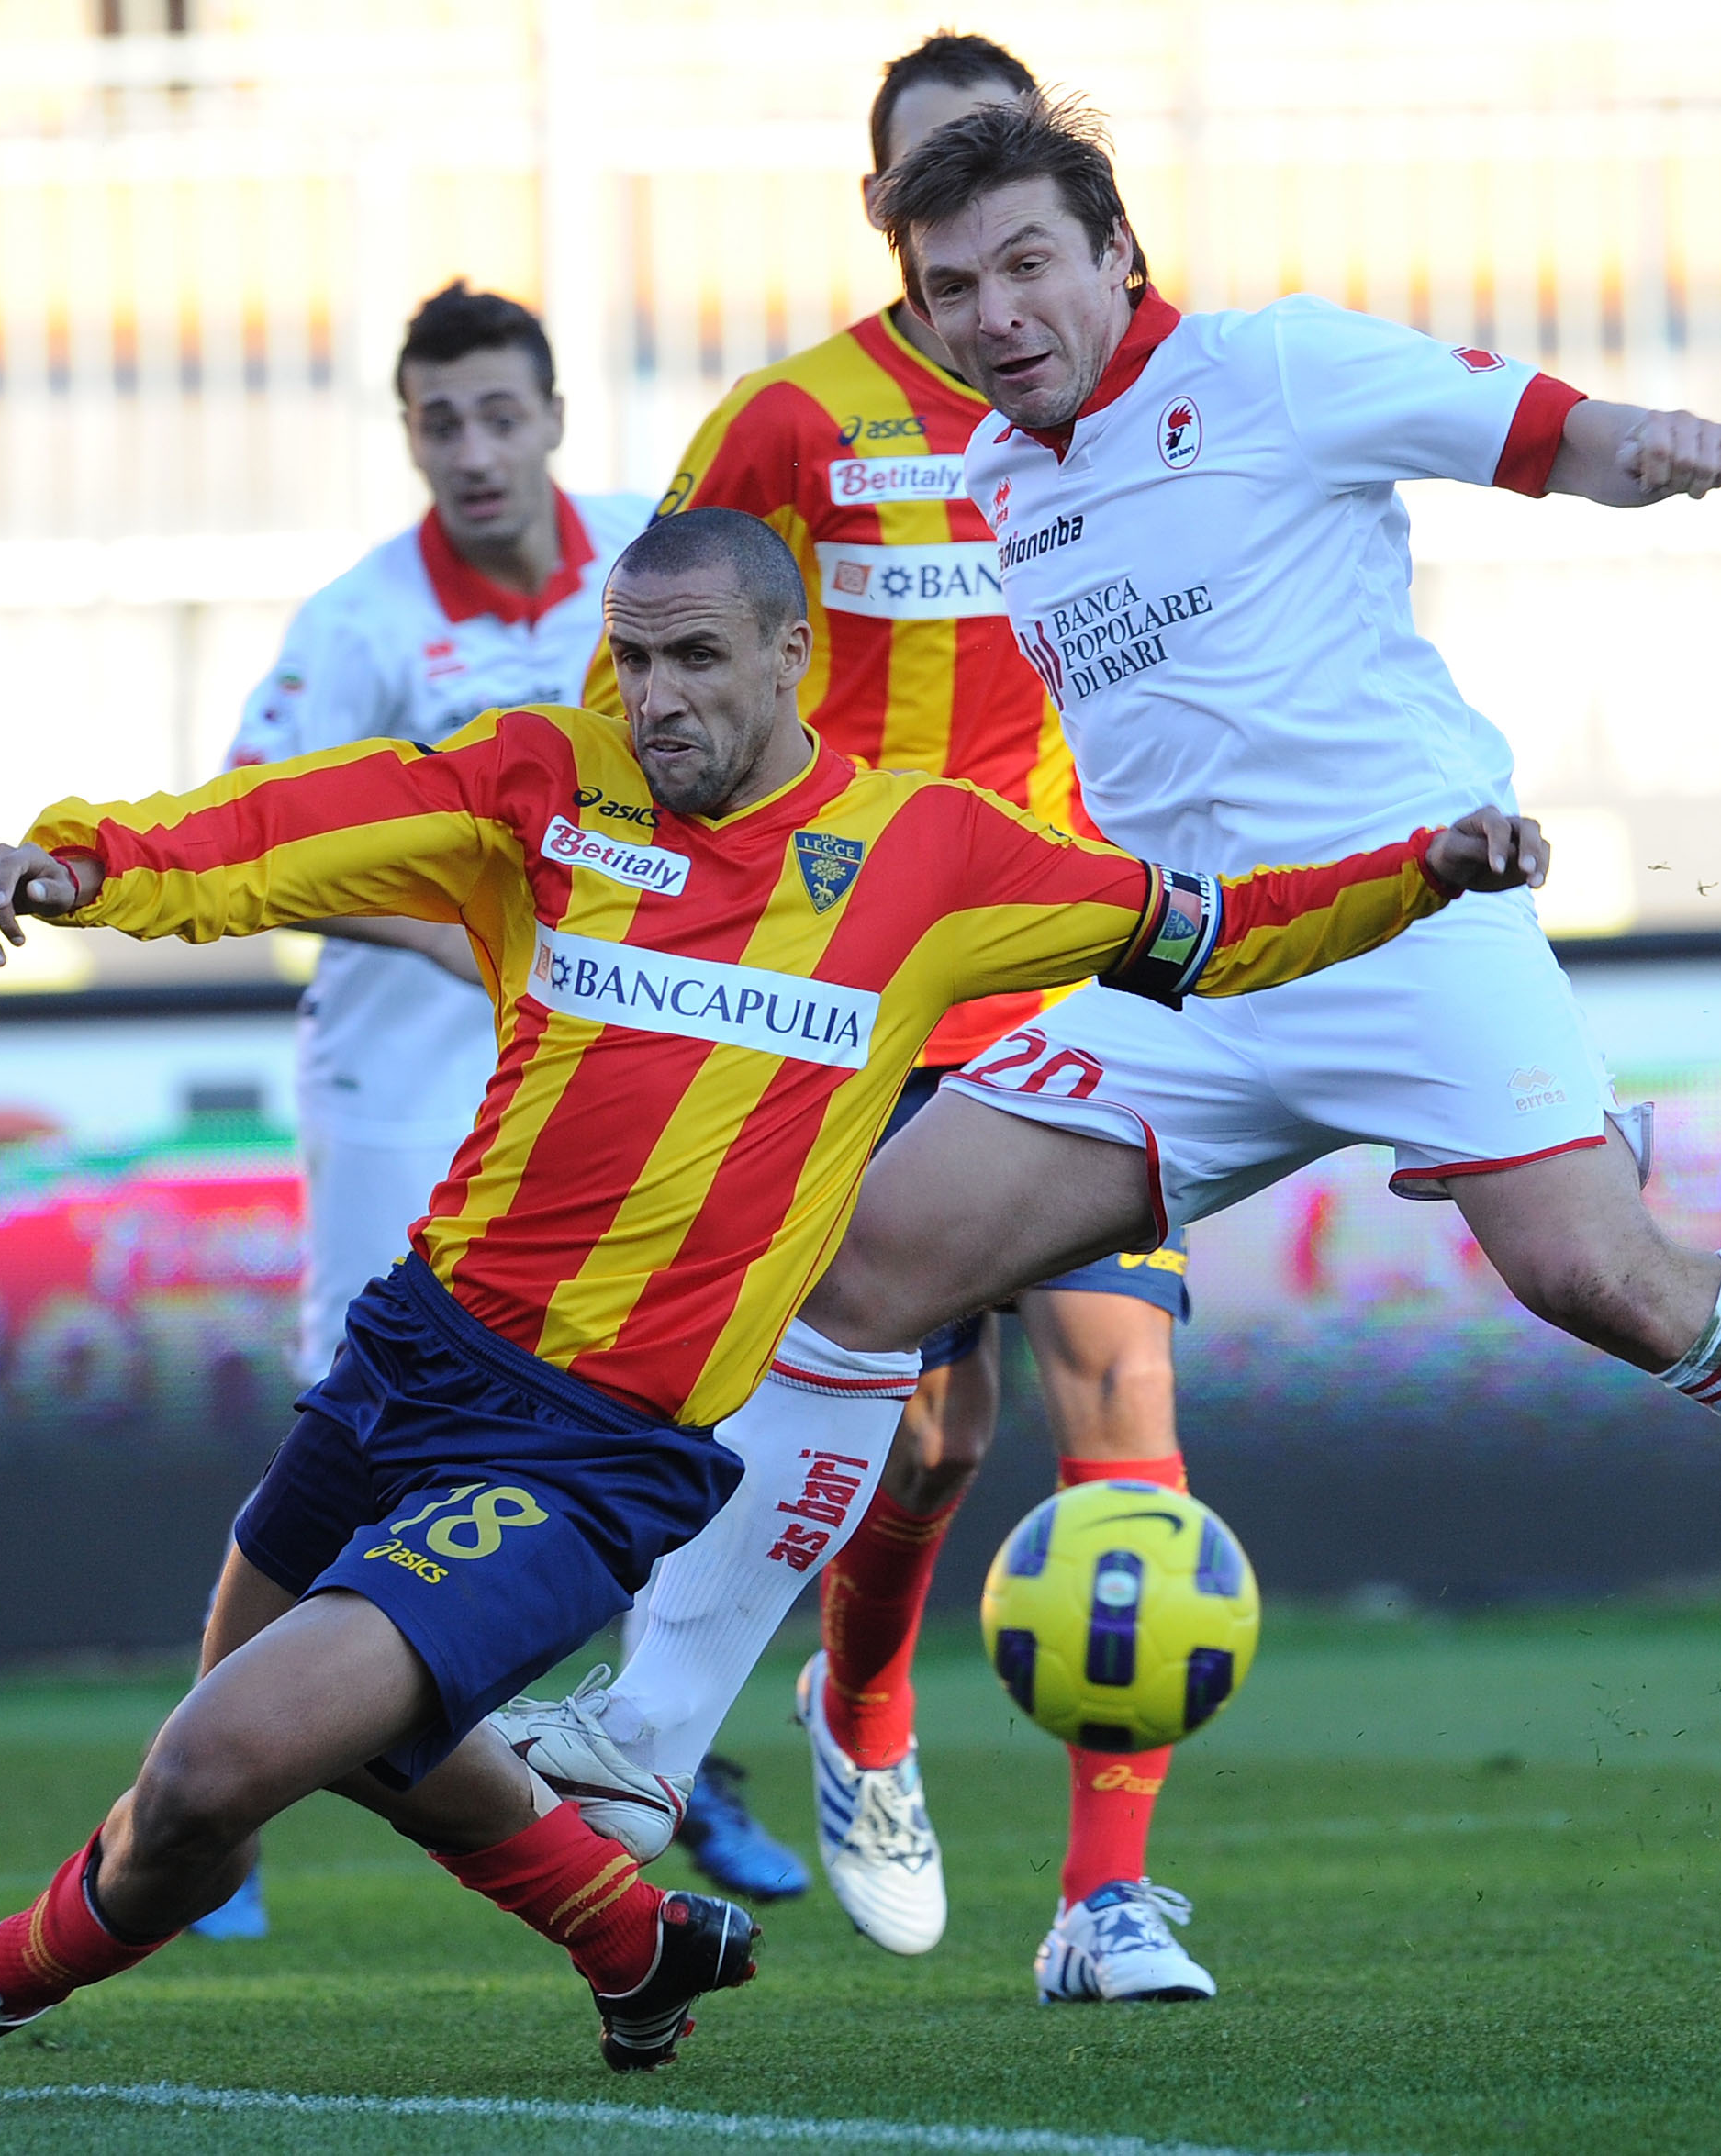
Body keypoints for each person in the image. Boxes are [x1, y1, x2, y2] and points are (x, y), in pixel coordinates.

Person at [517, 92, 1721, 2000]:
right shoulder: (998, 472)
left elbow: (1530, 428)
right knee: (864, 1262)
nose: (996, 310)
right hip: (1199, 976)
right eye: (954, 286)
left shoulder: (1273, 366)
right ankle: (652, 1722)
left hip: (1414, 917)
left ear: (1119, 255)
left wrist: (1646, 446)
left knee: (1600, 1277)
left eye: (1032, 262)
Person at [0, 507, 1552, 2093]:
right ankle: (630, 1932)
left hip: (592, 1448)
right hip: (411, 1352)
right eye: (632, 659)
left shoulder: (926, 857)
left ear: (793, 654)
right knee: (237, 1769)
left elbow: (1205, 924)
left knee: (227, 1751)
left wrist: (1421, 874)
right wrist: (99, 859)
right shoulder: (546, 780)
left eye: (696, 657)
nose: (656, 697)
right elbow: (305, 820)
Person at [541, 29, 1205, 1989]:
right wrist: (640, 890)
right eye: (937, 208)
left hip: (1074, 950)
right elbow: (652, 656)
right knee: (922, 1437)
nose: (976, 263)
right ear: (886, 218)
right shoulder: (796, 419)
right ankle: (870, 1719)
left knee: (1122, 1390)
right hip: (860, 982)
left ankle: (1106, 1895)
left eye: (1010, 209)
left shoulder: (1151, 387)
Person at [192, 280, 798, 1929]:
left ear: (553, 419)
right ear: (410, 436)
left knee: (648, 1402)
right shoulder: (360, 620)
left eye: (499, 414)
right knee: (358, 1423)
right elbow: (278, 827)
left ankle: (661, 1759)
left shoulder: (649, 568)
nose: (473, 449)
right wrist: (490, 935)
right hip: (412, 1054)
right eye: (438, 420)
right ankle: (218, 1814)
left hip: (625, 1057)